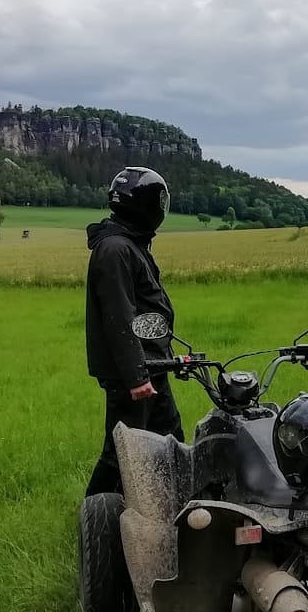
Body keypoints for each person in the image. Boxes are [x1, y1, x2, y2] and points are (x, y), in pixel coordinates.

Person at [84, 166, 184, 497]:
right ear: (145, 205)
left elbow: (145, 308)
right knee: (122, 451)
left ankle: (171, 506)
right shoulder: (116, 249)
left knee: (168, 438)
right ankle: (95, 511)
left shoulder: (129, 244)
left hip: (151, 364)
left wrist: (163, 358)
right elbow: (119, 317)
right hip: (134, 374)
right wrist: (136, 377)